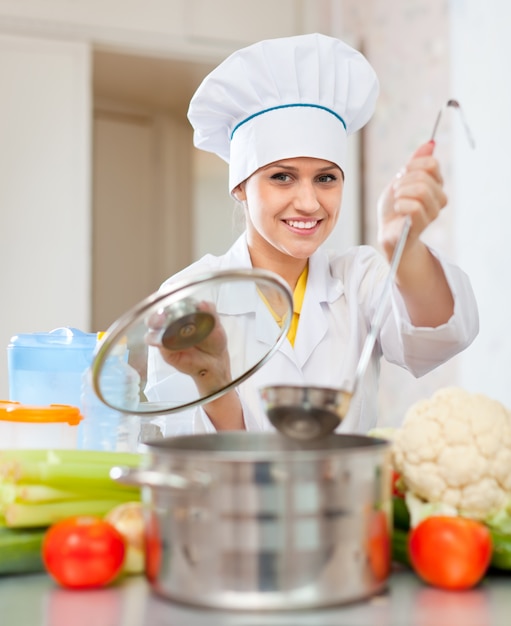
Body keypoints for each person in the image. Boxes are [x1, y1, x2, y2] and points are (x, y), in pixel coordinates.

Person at [144, 33, 479, 435]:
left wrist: (402, 249)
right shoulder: (188, 297)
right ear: (239, 186)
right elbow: (192, 458)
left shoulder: (359, 277)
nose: (308, 202)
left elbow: (443, 335)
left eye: (325, 178)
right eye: (282, 177)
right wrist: (212, 380)